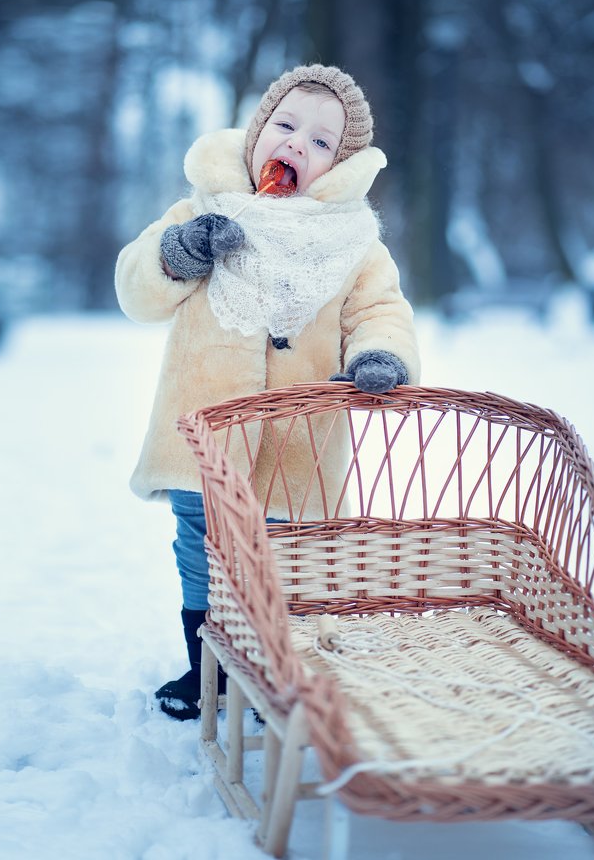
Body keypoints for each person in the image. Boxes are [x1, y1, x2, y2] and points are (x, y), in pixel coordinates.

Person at [115, 64, 420, 720]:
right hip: (202, 432)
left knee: (282, 563)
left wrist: (380, 356)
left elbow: (381, 311)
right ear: (256, 134)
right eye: (285, 126)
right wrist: (182, 252)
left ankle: (273, 669)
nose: (295, 146)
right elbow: (138, 288)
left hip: (298, 446)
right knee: (202, 552)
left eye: (319, 143)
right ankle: (209, 671)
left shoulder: (354, 243)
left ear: (339, 166)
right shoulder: (203, 208)